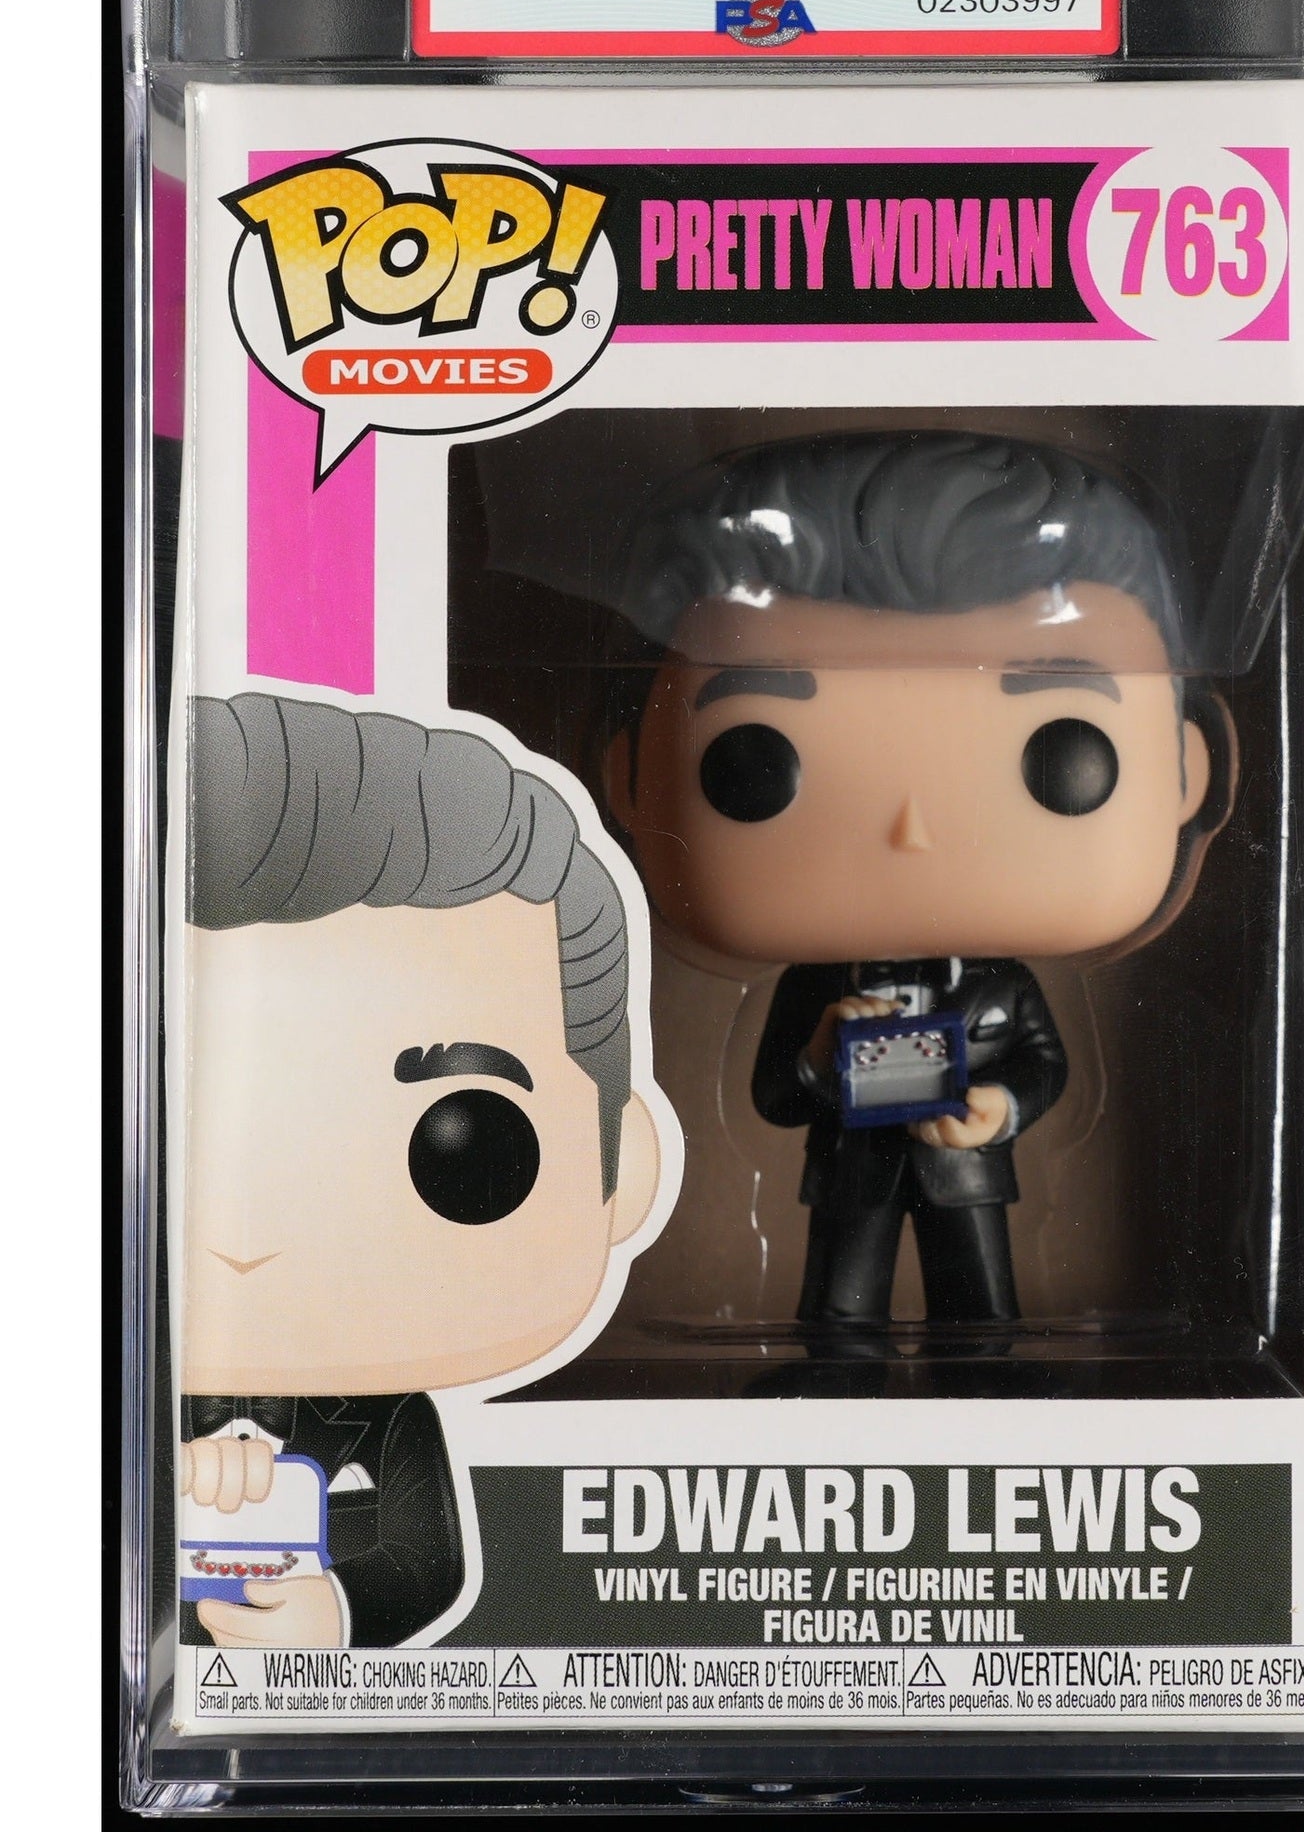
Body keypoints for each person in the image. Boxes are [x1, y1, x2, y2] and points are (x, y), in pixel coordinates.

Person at [607, 429, 1232, 1331]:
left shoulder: (1002, 986)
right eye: (754, 762)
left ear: (1185, 772)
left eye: (1062, 756)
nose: (913, 830)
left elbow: (1043, 1068)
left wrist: (998, 1108)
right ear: (630, 777)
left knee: (979, 1308)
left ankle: (984, 1376)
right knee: (839, 1307)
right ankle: (839, 1376)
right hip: (850, 1178)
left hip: (965, 1172)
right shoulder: (817, 989)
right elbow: (774, 1097)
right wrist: (820, 1054)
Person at [179, 693, 662, 1646]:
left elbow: (425, 1562)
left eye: (465, 1143)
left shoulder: (391, 1420)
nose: (249, 1232)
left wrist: (333, 1613)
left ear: (622, 1167)